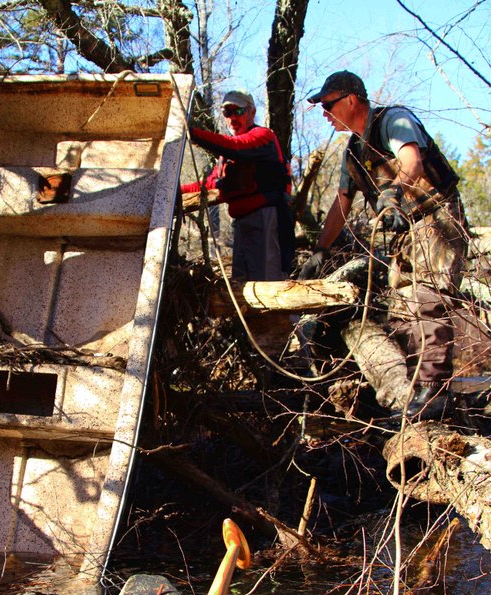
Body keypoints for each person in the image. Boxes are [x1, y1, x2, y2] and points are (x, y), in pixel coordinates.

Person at [301, 71, 468, 420]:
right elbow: (341, 203)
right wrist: (321, 249)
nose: (324, 113)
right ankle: (415, 394)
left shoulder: (394, 120)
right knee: (402, 308)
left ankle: (433, 395)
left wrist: (394, 192)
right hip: (406, 230)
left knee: (429, 298)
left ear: (350, 100)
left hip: (436, 216)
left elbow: (411, 161)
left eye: (327, 104)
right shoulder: (353, 151)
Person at [181, 90, 295, 282]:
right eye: (227, 113)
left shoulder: (263, 136)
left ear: (251, 112)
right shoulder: (226, 160)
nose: (232, 118)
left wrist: (190, 133)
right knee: (242, 288)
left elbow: (236, 146)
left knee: (268, 287)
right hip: (243, 225)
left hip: (267, 220)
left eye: (238, 111)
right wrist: (173, 189)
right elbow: (208, 185)